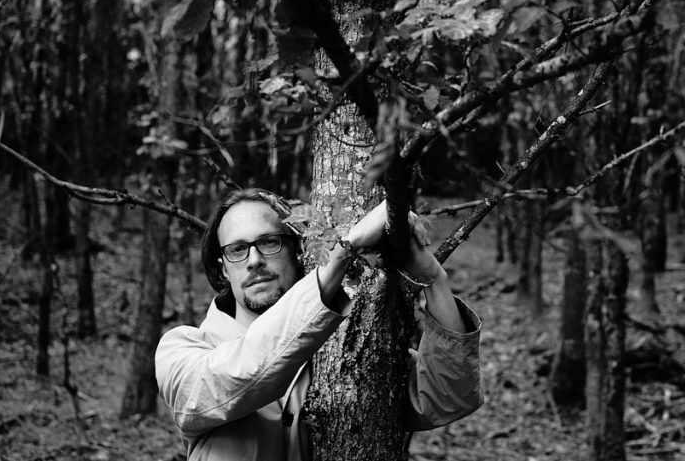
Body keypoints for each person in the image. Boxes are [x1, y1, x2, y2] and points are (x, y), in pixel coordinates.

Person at [155, 188, 483, 461]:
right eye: (237, 249)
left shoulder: (340, 350)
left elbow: (447, 396)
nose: (254, 260)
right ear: (223, 268)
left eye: (269, 242)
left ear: (297, 251)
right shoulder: (182, 350)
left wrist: (433, 278)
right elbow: (240, 372)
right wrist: (345, 252)